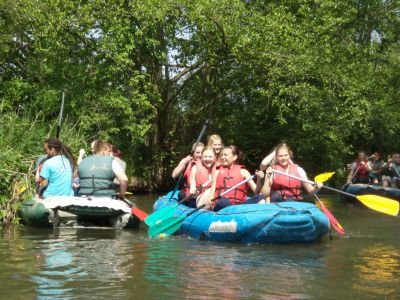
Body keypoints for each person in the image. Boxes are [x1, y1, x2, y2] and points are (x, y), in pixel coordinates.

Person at [205, 145, 265, 211]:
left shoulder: (243, 172)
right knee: (224, 202)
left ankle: (237, 211)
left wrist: (259, 180)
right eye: (221, 155)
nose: (222, 157)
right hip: (221, 203)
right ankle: (235, 211)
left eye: (225, 155)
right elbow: (212, 193)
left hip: (239, 205)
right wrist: (209, 200)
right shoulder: (217, 172)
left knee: (261, 198)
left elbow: (256, 192)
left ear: (234, 157)